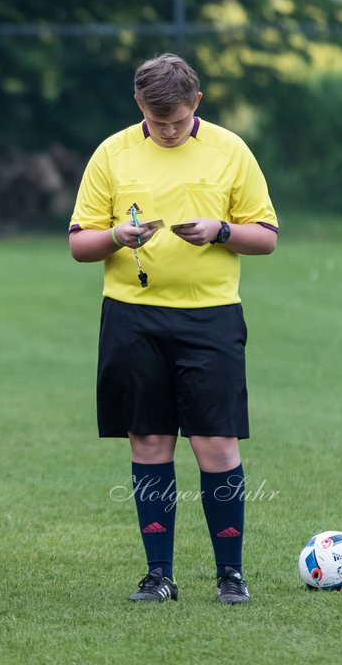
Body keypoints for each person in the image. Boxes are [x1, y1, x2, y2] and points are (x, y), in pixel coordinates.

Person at [67, 53, 278, 605]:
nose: (168, 130)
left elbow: (268, 235)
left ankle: (230, 574)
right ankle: (158, 574)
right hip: (132, 317)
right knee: (150, 439)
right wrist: (117, 236)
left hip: (211, 317)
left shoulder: (231, 150)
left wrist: (220, 229)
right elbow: (78, 244)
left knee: (216, 442)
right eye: (158, 122)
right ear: (138, 105)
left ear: (197, 104)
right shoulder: (111, 153)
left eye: (179, 122)